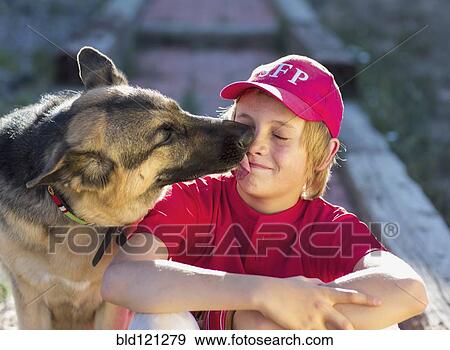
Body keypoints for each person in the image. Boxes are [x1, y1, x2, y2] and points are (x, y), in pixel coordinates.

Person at [101, 55, 428, 330]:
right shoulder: (191, 198)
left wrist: (265, 326)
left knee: (382, 326)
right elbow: (123, 278)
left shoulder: (330, 227)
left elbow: (409, 288)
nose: (255, 146)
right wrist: (262, 295)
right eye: (245, 128)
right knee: (160, 319)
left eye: (280, 136)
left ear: (325, 155)